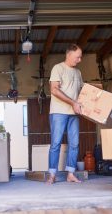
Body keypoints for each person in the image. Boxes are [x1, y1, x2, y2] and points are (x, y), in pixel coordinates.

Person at [46, 43, 83, 184]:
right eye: (77, 57)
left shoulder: (78, 72)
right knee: (55, 143)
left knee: (74, 143)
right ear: (69, 54)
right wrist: (73, 102)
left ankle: (71, 174)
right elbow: (54, 90)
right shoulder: (58, 68)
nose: (79, 60)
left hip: (74, 113)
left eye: (80, 57)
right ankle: (52, 175)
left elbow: (81, 92)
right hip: (58, 112)